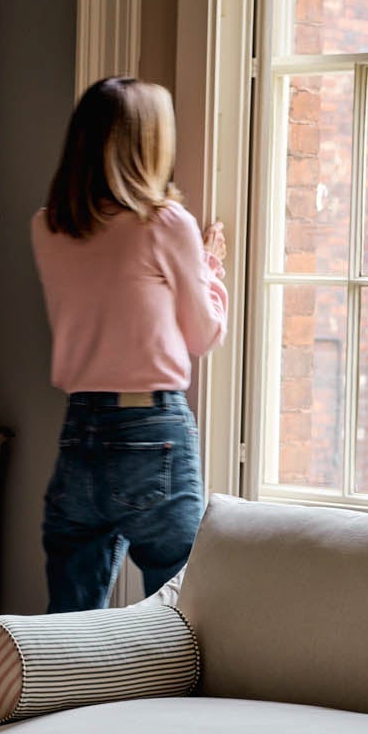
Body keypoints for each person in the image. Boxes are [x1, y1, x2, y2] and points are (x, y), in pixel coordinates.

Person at [32, 76, 228, 611]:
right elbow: (203, 334)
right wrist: (208, 267)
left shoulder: (48, 227)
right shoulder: (165, 223)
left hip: (79, 432)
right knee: (179, 608)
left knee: (69, 617)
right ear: (148, 144)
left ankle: (64, 695)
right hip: (151, 431)